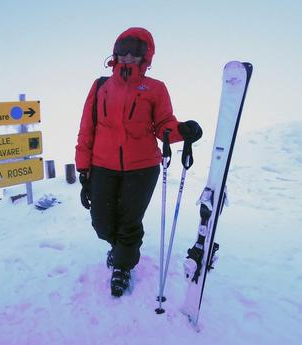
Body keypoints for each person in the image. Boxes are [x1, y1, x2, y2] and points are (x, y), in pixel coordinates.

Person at [75, 27, 202, 297]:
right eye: (125, 48)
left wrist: (183, 131)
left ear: (147, 56)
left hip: (142, 168)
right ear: (116, 51)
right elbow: (87, 128)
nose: (129, 55)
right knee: (101, 222)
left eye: (137, 50)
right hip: (103, 166)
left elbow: (164, 125)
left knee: (129, 221)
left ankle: (122, 265)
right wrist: (83, 170)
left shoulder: (155, 89)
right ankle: (119, 247)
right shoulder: (100, 86)